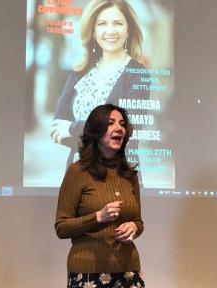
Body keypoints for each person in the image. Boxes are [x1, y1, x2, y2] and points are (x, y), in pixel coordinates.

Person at [50, 0, 149, 169]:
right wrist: (99, 133)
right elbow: (57, 128)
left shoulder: (138, 74)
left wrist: (74, 130)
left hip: (117, 179)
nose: (110, 31)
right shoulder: (80, 70)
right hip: (77, 177)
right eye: (102, 24)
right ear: (93, 31)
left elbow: (125, 134)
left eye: (118, 23)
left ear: (128, 29)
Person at [55, 104, 145, 288]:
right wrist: (97, 217)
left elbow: (139, 222)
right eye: (111, 123)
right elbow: (61, 227)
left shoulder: (130, 174)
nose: (119, 128)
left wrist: (134, 227)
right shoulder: (78, 171)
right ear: (96, 132)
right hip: (88, 273)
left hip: (128, 271)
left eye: (122, 124)